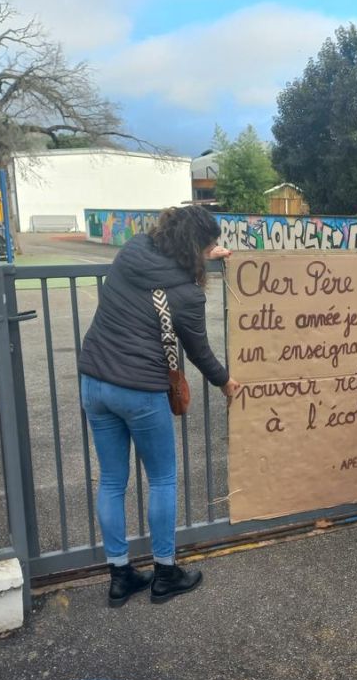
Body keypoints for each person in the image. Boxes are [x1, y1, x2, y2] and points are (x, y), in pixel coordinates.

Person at [78, 205, 241, 607]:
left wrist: (208, 254)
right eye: (209, 245)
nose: (212, 250)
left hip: (94, 381)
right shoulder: (186, 294)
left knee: (113, 481)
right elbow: (199, 351)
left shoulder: (131, 251)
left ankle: (120, 576)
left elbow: (163, 260)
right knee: (163, 479)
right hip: (140, 390)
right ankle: (165, 573)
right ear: (194, 249)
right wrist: (225, 381)